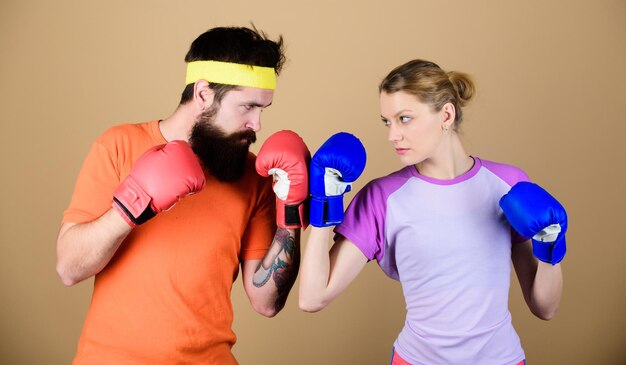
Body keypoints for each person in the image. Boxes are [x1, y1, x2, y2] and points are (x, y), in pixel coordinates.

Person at [56, 26, 310, 364]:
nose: (257, 124)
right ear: (204, 94)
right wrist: (133, 202)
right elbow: (69, 268)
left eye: (263, 109)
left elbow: (266, 303)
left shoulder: (255, 175)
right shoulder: (118, 145)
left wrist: (290, 210)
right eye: (247, 107)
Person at [299, 59, 567, 365]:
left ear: (446, 114)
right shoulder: (382, 197)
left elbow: (545, 308)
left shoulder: (507, 185)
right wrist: (324, 202)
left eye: (404, 118)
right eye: (387, 121)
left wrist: (551, 246)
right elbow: (312, 298)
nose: (392, 135)